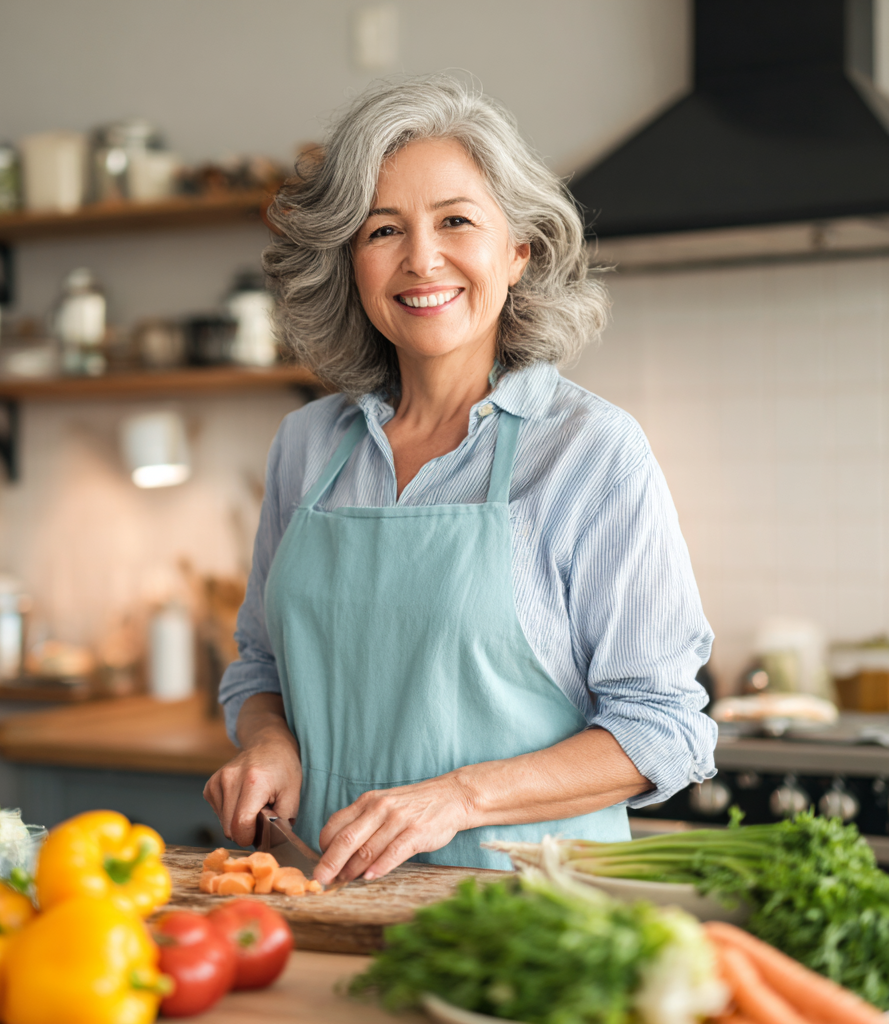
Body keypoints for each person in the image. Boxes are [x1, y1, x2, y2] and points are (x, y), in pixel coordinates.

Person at [206, 76, 717, 885]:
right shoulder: (307, 445)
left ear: (517, 251)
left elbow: (663, 730)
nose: (421, 259)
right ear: (351, 261)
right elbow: (260, 669)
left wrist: (457, 800)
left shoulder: (591, 453)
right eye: (383, 230)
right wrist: (268, 743)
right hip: (328, 896)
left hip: (532, 918)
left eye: (455, 221)